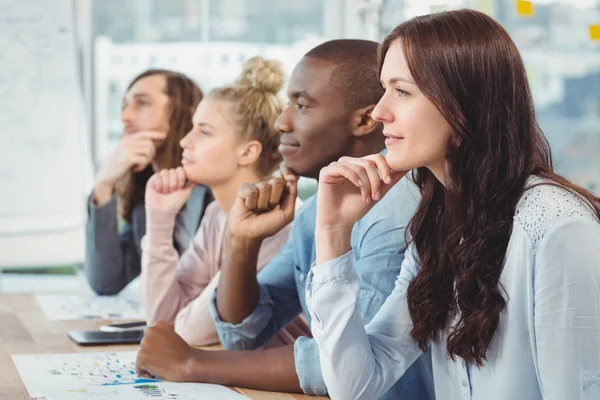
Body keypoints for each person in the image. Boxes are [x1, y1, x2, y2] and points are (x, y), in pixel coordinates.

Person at [306, 9, 600, 400]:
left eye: (402, 91)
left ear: (462, 105)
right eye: (383, 89)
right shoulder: (440, 223)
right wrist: (333, 232)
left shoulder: (556, 228)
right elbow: (354, 385)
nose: (379, 112)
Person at [135, 40, 434, 400]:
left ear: (364, 120)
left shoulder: (396, 211)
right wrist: (242, 243)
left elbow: (353, 364)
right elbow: (244, 333)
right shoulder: (314, 210)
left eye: (302, 105)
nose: (282, 121)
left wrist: (193, 364)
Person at [140, 57, 309, 346]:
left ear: (248, 152)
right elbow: (160, 321)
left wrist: (177, 321)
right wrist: (159, 220)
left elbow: (185, 334)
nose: (184, 141)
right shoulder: (217, 213)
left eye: (204, 132)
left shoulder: (276, 223)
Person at [86, 70, 212, 295]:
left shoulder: (214, 188)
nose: (126, 116)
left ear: (186, 114)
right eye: (125, 105)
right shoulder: (146, 194)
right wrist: (104, 185)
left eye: (142, 104)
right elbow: (106, 282)